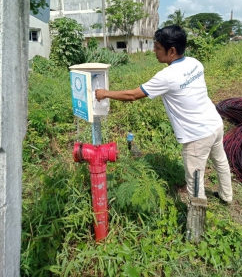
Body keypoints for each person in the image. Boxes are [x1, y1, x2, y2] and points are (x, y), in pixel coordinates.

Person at [95, 25, 233, 204]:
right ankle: (227, 198)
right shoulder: (195, 63)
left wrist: (105, 93)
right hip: (215, 123)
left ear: (172, 51)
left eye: (158, 48)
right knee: (220, 161)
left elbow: (132, 95)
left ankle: (197, 225)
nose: (154, 51)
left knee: (195, 179)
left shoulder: (167, 76)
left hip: (197, 135)